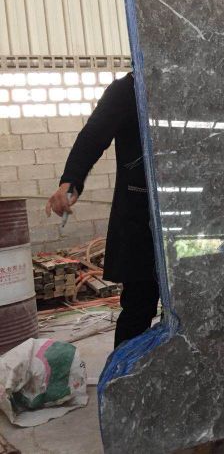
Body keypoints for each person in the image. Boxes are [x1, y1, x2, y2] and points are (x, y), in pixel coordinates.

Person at [45, 73, 159, 348]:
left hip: (189, 222)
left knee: (190, 307)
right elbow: (93, 136)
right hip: (141, 220)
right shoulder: (130, 89)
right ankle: (124, 373)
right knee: (139, 307)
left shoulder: (194, 84)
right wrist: (70, 180)